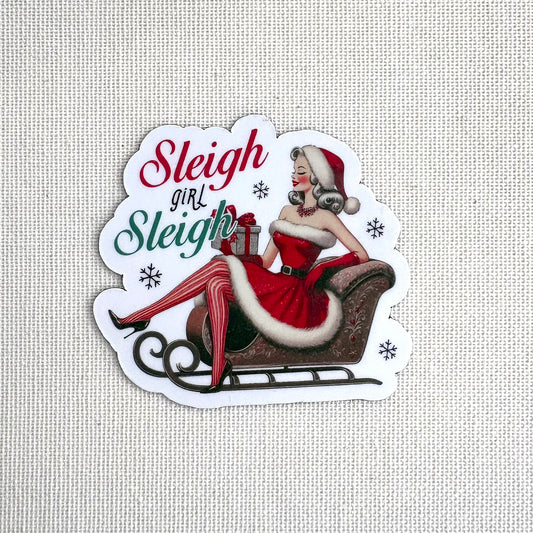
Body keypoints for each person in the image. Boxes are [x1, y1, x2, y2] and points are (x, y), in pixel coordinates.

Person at [109, 145, 369, 392]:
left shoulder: (326, 218)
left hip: (295, 295)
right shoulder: (286, 211)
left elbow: (361, 254)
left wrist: (323, 268)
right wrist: (235, 253)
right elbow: (266, 261)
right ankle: (218, 365)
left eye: (300, 171)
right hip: (275, 281)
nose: (293, 175)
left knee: (217, 271)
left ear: (317, 179)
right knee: (216, 282)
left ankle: (142, 316)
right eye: (294, 170)